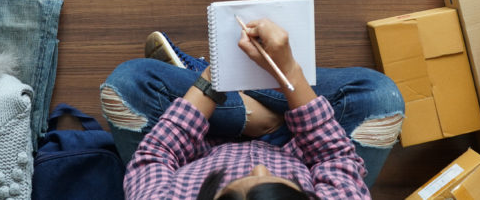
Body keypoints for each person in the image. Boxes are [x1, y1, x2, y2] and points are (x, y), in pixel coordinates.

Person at [100, 19, 405, 199]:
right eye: (274, 180)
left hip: (205, 137)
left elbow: (155, 155)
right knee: (381, 98)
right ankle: (267, 117)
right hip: (297, 141)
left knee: (127, 84)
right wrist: (287, 72)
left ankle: (229, 95)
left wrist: (217, 74)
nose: (258, 169)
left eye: (231, 185)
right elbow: (333, 156)